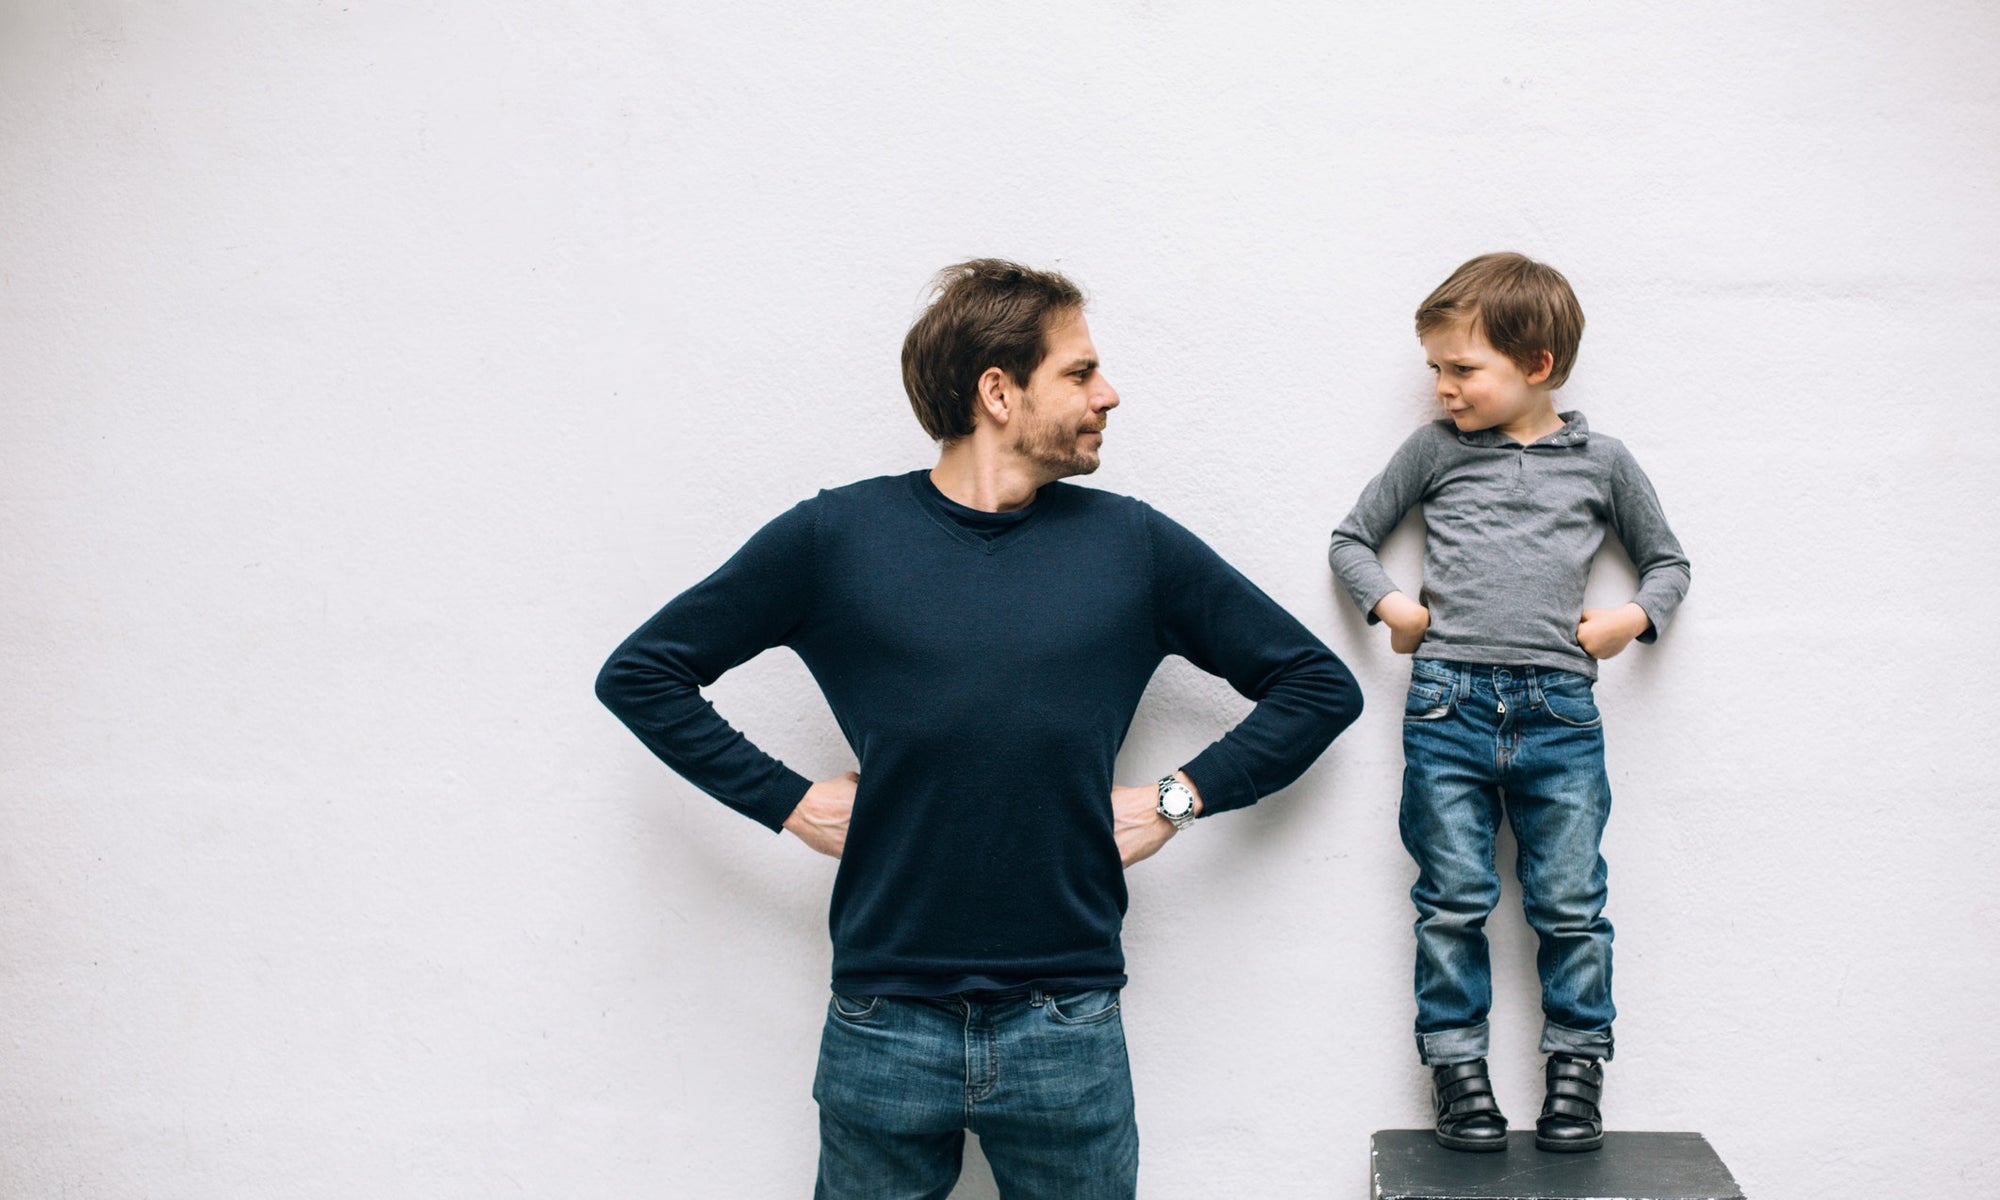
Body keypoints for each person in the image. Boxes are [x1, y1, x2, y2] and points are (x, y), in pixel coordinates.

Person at [598, 259, 1362, 1197]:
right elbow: (643, 673)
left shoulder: (1133, 547)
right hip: (883, 1021)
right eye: (1079, 373)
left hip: (1067, 1024)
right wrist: (787, 801)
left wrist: (1177, 799)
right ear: (998, 391)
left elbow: (1315, 685)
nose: (1108, 394)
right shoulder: (834, 539)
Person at [1327, 252, 1690, 1154]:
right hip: (1447, 704)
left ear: (1536, 366)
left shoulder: (1603, 462)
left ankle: (1576, 1073)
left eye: (1462, 370)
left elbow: (1670, 563)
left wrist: (1629, 622)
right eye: (1436, 371)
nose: (1444, 389)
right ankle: (1460, 1080)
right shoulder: (1434, 453)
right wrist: (1393, 605)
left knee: (1569, 903)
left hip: (1559, 712)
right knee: (1451, 900)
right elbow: (1351, 539)